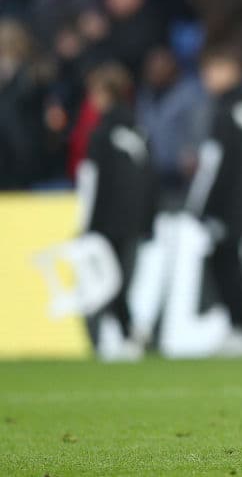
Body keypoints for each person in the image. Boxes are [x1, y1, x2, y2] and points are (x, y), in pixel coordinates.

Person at [185, 45, 242, 355]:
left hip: (225, 206)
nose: (207, 77)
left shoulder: (226, 113)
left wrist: (201, 207)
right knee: (232, 266)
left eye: (212, 70)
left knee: (228, 267)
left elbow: (214, 165)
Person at [76, 62, 156, 360]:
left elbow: (92, 181)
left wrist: (87, 224)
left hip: (106, 220)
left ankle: (125, 334)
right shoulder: (139, 130)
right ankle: (129, 333)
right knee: (121, 280)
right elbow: (152, 180)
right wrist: (149, 219)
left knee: (108, 282)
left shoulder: (100, 133)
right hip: (134, 220)